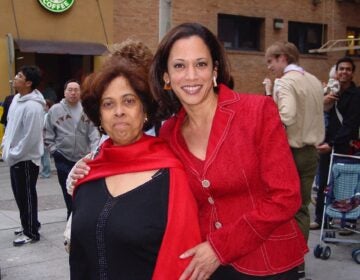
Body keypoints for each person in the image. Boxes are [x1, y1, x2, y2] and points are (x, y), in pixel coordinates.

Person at [69, 23, 308, 279]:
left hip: (267, 261)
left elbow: (286, 196)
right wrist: (87, 170)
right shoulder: (169, 133)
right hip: (206, 268)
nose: (191, 76)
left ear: (215, 70)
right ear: (166, 76)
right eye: (180, 66)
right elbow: (134, 159)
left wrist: (220, 247)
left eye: (201, 64)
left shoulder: (257, 111)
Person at [69, 39, 201, 279]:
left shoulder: (171, 176)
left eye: (129, 101)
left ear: (145, 110)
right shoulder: (87, 175)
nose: (119, 111)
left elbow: (184, 262)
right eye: (108, 104)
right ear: (99, 116)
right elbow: (79, 258)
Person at [264, 41, 325, 278]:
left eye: (271, 61)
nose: (270, 67)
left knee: (282, 207)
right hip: (312, 151)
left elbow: (286, 115)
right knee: (302, 208)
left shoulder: (286, 81)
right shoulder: (312, 80)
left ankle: (286, 260)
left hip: (290, 152)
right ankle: (299, 263)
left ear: (282, 58)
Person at [311, 57, 360, 233]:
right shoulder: (331, 92)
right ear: (336, 72)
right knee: (323, 183)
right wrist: (325, 102)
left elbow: (351, 124)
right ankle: (321, 219)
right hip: (327, 144)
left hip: (346, 145)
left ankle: (348, 222)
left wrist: (332, 144)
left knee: (346, 185)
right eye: (341, 69)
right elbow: (319, 117)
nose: (344, 72)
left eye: (348, 69)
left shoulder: (357, 95)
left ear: (352, 73)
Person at [1, 65, 45, 246]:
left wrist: (14, 153)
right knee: (20, 196)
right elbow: (10, 127)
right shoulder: (17, 100)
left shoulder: (33, 107)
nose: (15, 78)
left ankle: (31, 232)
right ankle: (28, 224)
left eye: (19, 76)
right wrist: (5, 146)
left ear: (28, 83)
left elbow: (30, 137)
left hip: (25, 159)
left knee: (26, 196)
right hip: (15, 158)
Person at [44, 79, 100, 219]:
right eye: (70, 90)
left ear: (80, 92)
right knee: (67, 189)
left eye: (76, 90)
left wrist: (94, 152)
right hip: (62, 157)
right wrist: (53, 150)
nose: (73, 93)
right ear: (64, 92)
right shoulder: (55, 110)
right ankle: (71, 214)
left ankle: (79, 215)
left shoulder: (86, 109)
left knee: (81, 189)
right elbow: (47, 132)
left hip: (83, 158)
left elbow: (93, 132)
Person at [39, 99, 54, 178]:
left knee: (45, 156)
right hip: (42, 138)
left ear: (48, 106)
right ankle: (44, 171)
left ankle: (46, 172)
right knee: (42, 155)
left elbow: (46, 127)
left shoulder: (48, 115)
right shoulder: (44, 114)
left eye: (44, 105)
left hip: (45, 138)